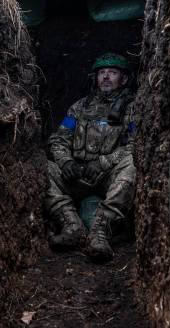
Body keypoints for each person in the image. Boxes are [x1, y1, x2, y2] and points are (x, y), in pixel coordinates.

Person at [45, 53, 136, 262]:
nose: (105, 77)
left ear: (123, 79)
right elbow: (59, 139)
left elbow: (135, 145)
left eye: (112, 72)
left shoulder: (132, 109)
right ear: (95, 78)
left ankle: (100, 233)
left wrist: (103, 162)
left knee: (131, 166)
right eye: (102, 73)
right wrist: (65, 161)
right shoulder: (79, 107)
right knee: (43, 168)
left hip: (107, 177)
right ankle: (72, 226)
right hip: (77, 175)